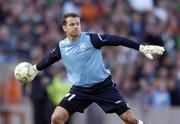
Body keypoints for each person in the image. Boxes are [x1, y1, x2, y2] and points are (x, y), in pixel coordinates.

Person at [31, 12, 165, 124]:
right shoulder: (62, 46)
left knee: (129, 119)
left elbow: (117, 40)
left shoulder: (91, 39)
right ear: (64, 28)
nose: (76, 27)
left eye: (78, 23)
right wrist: (35, 68)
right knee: (56, 118)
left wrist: (140, 47)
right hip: (80, 89)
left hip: (103, 87)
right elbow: (49, 59)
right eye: (72, 24)